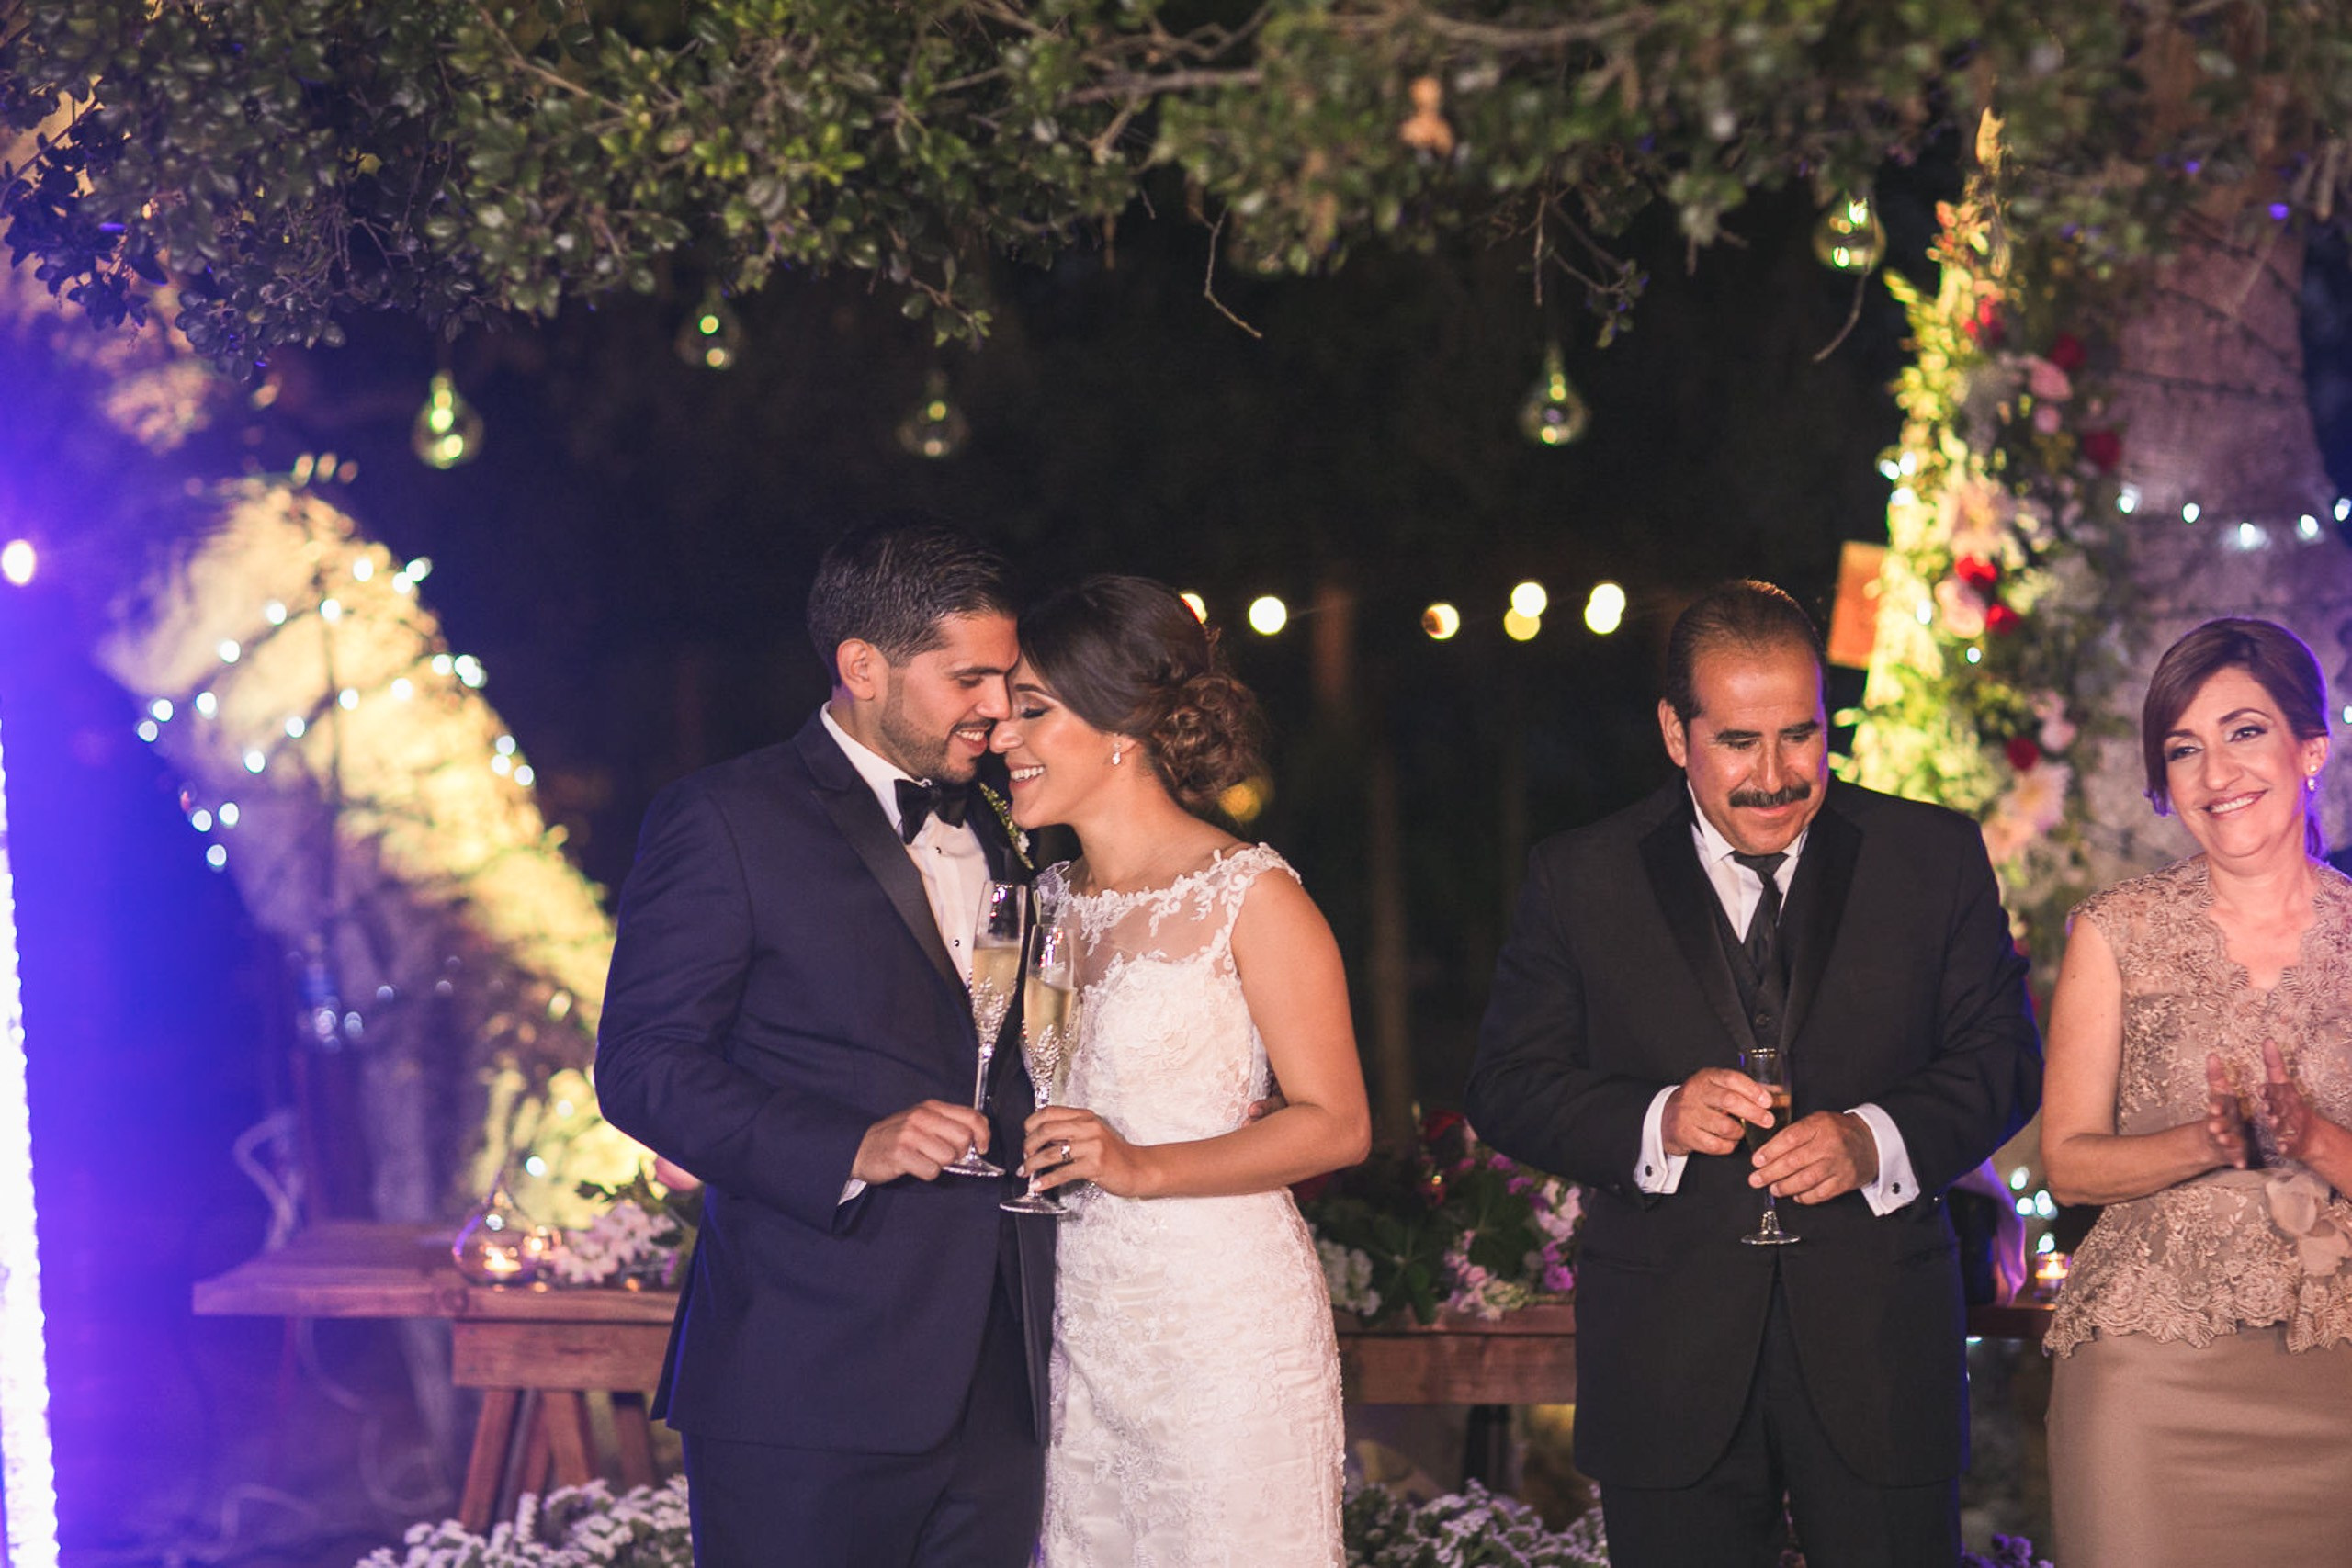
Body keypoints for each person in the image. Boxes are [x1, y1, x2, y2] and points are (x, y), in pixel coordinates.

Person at [1464, 579, 2041, 1567]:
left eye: (1801, 736)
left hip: (1879, 1357)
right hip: (1664, 1363)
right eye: (1737, 741)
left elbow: (2004, 1058)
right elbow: (1507, 1083)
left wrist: (1876, 1139)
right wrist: (1657, 1120)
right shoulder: (1579, 878)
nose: (1775, 776)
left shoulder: (1931, 856)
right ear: (1672, 731)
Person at [594, 522, 1052, 1568]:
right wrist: (852, 1143)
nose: (997, 706)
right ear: (862, 667)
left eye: (1005, 677)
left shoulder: (1013, 823)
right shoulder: (724, 819)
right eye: (969, 677)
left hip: (1002, 1380)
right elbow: (643, 1067)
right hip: (805, 1375)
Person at [987, 574, 1370, 1567]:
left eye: (1032, 710)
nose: (1001, 738)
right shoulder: (1043, 903)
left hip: (1219, 1329)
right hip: (1077, 1325)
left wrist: (1141, 1165)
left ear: (1121, 725)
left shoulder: (1252, 895)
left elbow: (1336, 1123)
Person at [2041, 617, 2352, 1568]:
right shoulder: (2113, 934)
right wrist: (2206, 1145)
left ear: (2311, 747)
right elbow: (2068, 1165)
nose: (2216, 772)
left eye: (2244, 732)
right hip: (2149, 1373)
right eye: (2184, 749)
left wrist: (2308, 1136)